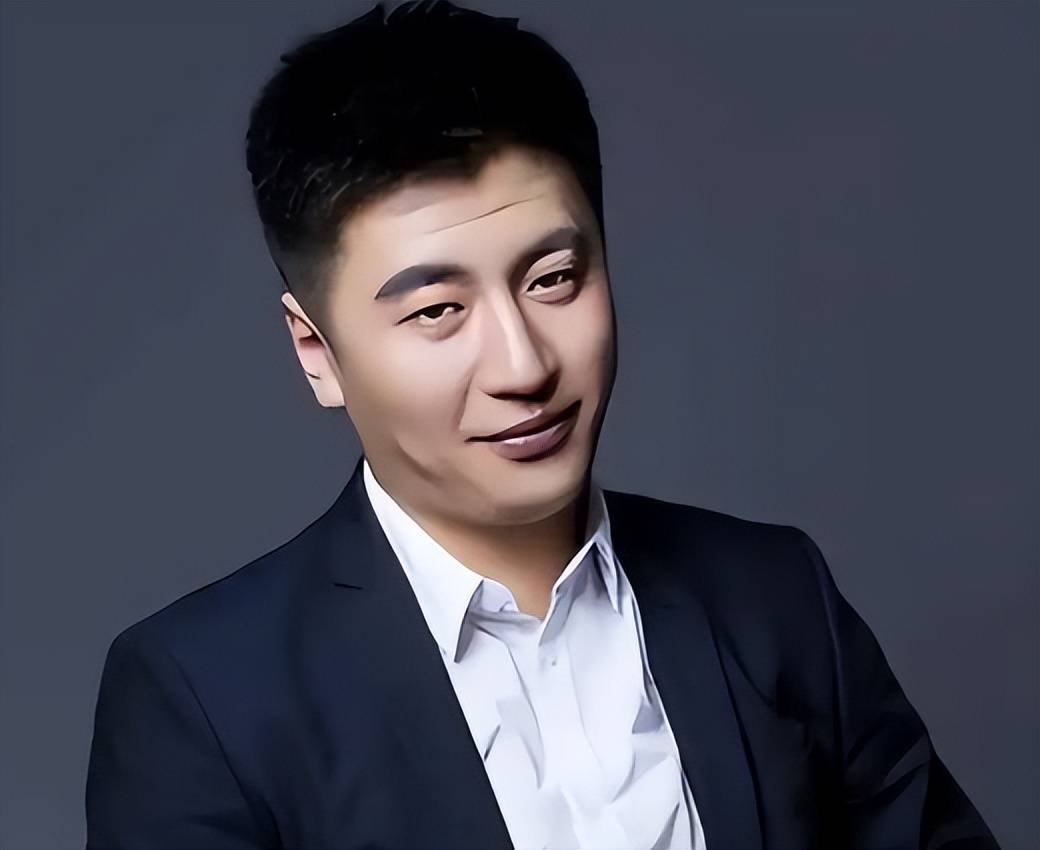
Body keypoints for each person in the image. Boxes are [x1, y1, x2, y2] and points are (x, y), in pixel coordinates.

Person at [85, 2, 1000, 848]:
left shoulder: (775, 595)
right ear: (316, 351)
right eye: (437, 311)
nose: (524, 367)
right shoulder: (199, 698)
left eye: (553, 279)